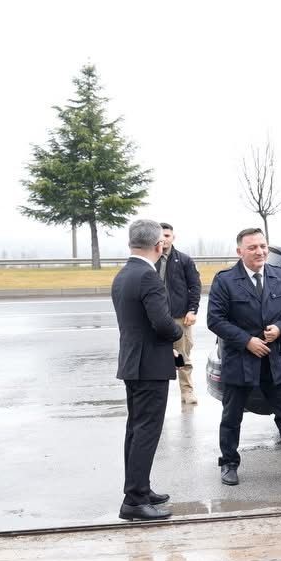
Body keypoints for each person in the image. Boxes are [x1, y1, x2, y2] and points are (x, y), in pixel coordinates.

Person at [207, 227, 281, 485]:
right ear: (240, 251)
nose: (260, 251)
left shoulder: (279, 275)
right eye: (252, 247)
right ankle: (229, 463)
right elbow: (215, 320)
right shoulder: (225, 280)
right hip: (240, 359)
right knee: (232, 417)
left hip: (273, 359)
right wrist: (246, 341)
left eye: (263, 246)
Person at [110, 219, 183, 521]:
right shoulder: (148, 277)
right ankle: (135, 500)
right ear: (159, 245)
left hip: (132, 363)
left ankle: (139, 488)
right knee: (146, 432)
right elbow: (162, 323)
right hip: (150, 366)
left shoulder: (124, 274)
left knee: (135, 430)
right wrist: (177, 334)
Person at [157, 222, 203, 405]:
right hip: (157, 318)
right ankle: (159, 397)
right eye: (161, 236)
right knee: (158, 358)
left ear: (173, 237)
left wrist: (192, 310)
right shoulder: (150, 260)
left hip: (179, 318)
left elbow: (195, 286)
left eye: (167, 235)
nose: (164, 239)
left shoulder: (183, 260)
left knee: (182, 357)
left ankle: (187, 392)